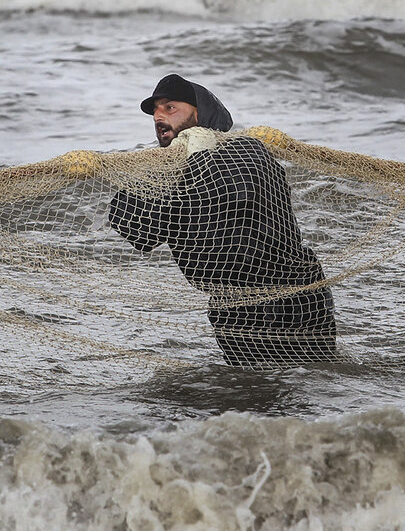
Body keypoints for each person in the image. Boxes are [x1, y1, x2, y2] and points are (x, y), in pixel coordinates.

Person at [108, 74, 337, 365]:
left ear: (200, 112)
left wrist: (198, 159)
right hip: (231, 307)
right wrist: (148, 176)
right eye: (154, 112)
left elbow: (239, 194)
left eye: (169, 108)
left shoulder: (247, 149)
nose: (158, 117)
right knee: (247, 395)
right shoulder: (169, 169)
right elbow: (138, 233)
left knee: (307, 381)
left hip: (293, 295)